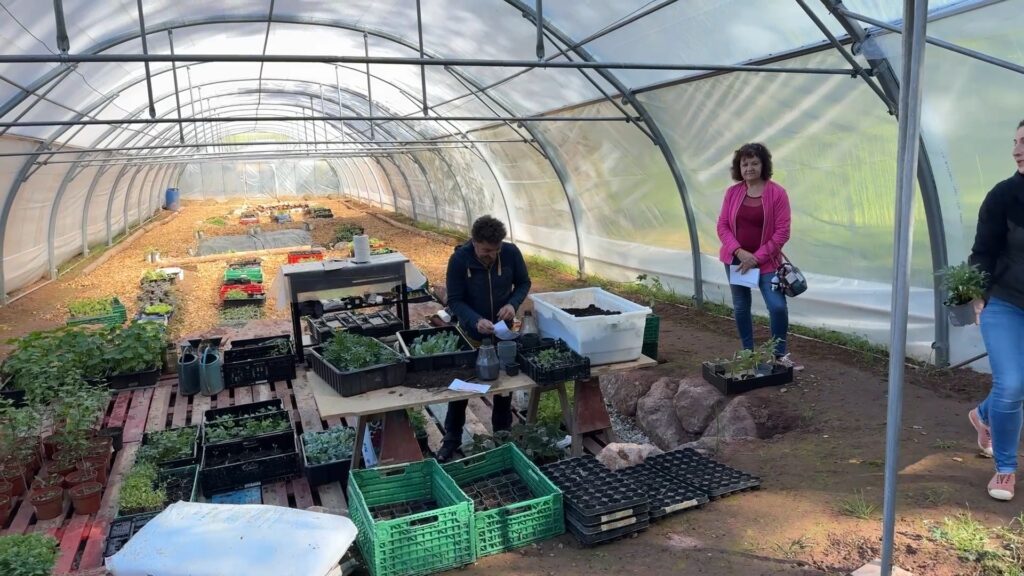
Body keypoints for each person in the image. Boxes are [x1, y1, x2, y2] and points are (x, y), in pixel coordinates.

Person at [437, 215, 531, 462]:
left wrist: (513, 303)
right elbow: (455, 300)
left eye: (496, 249)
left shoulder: (510, 254)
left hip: (502, 332)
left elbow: (523, 283)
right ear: (474, 242)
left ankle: (501, 436)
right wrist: (475, 320)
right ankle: (451, 439)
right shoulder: (459, 260)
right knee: (462, 387)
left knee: (502, 388)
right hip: (471, 333)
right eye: (486, 250)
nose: (491, 254)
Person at [966, 119, 1024, 501]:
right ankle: (1005, 467)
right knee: (1014, 383)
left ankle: (983, 414)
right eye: (1016, 141)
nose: (1017, 149)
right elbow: (983, 250)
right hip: (1005, 300)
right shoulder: (1004, 194)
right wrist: (976, 291)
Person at [716, 142, 801, 370]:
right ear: (739, 168)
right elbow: (722, 226)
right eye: (745, 164)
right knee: (742, 306)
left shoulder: (777, 193)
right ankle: (748, 353)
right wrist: (740, 252)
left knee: (777, 306)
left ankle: (779, 355)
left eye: (754, 163)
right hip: (737, 261)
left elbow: (783, 231)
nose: (749, 168)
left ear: (763, 165)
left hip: (767, 263)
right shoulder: (733, 193)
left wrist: (757, 257)